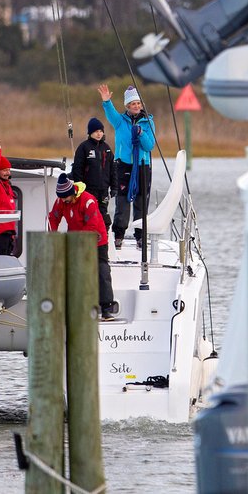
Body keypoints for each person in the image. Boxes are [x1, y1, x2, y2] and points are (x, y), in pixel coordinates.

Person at [48, 172, 116, 321]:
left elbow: (91, 225)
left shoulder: (88, 201)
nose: (64, 200)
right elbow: (53, 218)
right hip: (75, 239)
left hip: (96, 239)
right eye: (61, 197)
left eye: (66, 197)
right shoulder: (61, 201)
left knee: (101, 270)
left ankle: (106, 308)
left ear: (72, 193)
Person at [98, 84, 155, 250]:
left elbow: (149, 146)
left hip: (142, 166)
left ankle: (140, 237)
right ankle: (119, 236)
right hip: (123, 166)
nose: (136, 106)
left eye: (138, 103)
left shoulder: (148, 122)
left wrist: (141, 134)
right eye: (133, 103)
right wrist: (107, 101)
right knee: (122, 204)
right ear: (127, 106)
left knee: (141, 203)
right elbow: (110, 113)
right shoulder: (120, 121)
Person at [70, 116, 118, 230]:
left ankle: (103, 238)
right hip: (88, 189)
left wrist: (114, 187)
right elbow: (77, 168)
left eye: (101, 131)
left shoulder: (106, 148)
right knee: (89, 213)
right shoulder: (84, 147)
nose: (99, 134)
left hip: (104, 189)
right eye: (96, 131)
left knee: (103, 215)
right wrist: (79, 186)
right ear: (90, 132)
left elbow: (113, 169)